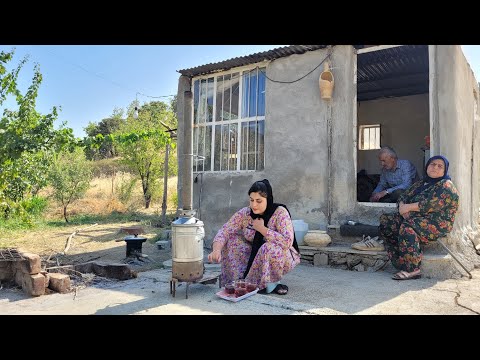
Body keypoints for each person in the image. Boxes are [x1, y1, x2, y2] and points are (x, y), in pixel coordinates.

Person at [207, 179, 300, 295]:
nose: (254, 205)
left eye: (259, 201)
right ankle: (239, 281)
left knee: (268, 247)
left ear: (268, 199)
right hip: (254, 254)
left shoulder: (280, 213)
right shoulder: (246, 213)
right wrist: (216, 250)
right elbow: (225, 231)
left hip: (282, 255)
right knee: (232, 240)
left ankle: (270, 283)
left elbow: (287, 242)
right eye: (251, 200)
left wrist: (263, 229)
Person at [379, 155, 459, 280]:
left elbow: (431, 204)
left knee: (408, 227)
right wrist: (402, 207)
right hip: (415, 218)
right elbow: (403, 196)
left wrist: (409, 207)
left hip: (436, 223)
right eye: (432, 164)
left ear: (444, 170)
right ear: (427, 167)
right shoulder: (421, 183)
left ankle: (412, 269)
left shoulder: (446, 186)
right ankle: (401, 259)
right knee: (387, 221)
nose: (435, 167)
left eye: (440, 166)